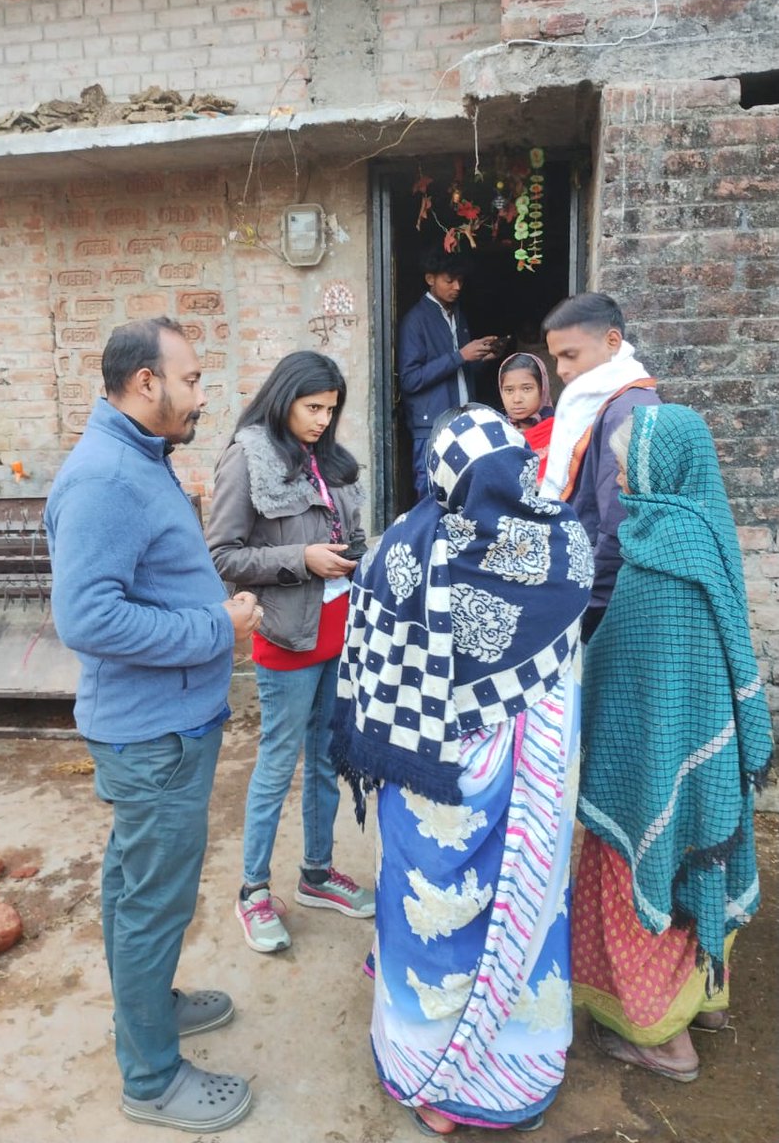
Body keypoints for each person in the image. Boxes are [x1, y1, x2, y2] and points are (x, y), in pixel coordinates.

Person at [332, 405, 594, 1135]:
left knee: (426, 911)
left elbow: (370, 680)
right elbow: (566, 678)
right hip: (529, 791)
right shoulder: (563, 544)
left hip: (431, 778)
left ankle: (428, 1077)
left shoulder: (404, 549)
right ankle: (511, 1074)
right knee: (526, 916)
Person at [45, 317, 260, 1133]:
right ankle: (151, 1078)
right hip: (152, 735)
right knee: (151, 902)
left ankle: (149, 1010)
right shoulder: (104, 478)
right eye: (194, 379)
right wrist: (218, 627)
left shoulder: (139, 458)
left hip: (167, 724)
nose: (203, 395)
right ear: (145, 384)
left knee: (136, 889)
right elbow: (88, 617)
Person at [573, 403, 773, 1082]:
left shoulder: (654, 559)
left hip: (647, 771)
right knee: (702, 853)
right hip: (707, 764)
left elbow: (623, 675)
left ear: (661, 469)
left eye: (629, 463)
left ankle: (661, 1039)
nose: (622, 474)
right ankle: (706, 1001)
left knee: (643, 864)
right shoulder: (705, 536)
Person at [206, 350, 375, 955]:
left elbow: (347, 536)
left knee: (327, 759)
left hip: (339, 634)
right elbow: (222, 556)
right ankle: (253, 891)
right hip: (287, 636)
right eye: (312, 408)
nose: (323, 420)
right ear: (283, 399)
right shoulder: (247, 457)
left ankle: (318, 874)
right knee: (278, 767)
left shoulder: (325, 460)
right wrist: (299, 559)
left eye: (331, 410)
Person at [539, 292, 659, 641]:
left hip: (601, 594)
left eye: (569, 355)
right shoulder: (604, 403)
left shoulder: (625, 411)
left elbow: (617, 524)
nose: (561, 370)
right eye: (556, 358)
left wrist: (588, 606)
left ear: (612, 341)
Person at [398, 246, 502, 499]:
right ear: (430, 279)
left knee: (463, 492)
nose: (457, 286)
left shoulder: (456, 315)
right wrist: (460, 356)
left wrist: (483, 358)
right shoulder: (416, 320)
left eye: (460, 280)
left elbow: (457, 373)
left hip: (462, 423)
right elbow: (410, 380)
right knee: (432, 493)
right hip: (432, 426)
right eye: (449, 280)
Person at [498, 352, 555, 482]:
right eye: (509, 390)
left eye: (527, 389)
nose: (517, 399)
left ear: (543, 389)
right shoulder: (497, 434)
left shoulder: (561, 433)